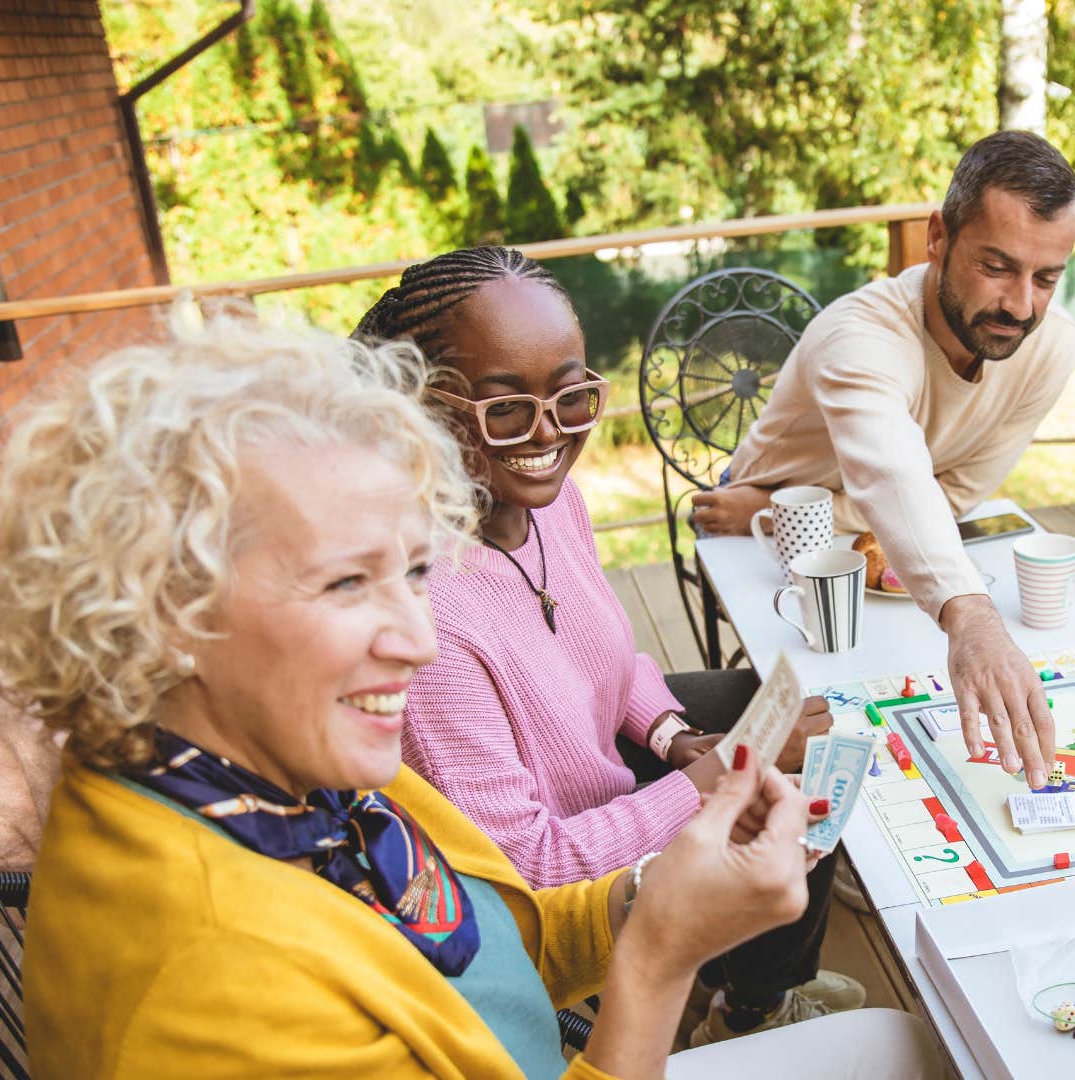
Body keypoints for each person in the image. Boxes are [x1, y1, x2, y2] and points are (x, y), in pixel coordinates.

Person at [0, 317, 941, 1078]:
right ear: (166, 610)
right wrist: (658, 962)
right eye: (347, 583)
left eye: (415, 573)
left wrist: (655, 891)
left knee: (901, 1044)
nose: (419, 640)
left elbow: (492, 945)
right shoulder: (212, 980)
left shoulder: (283, 772)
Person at [354, 248, 859, 1047]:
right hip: (559, 866)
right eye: (506, 408)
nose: (549, 433)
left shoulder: (552, 504)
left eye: (572, 397)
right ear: (424, 407)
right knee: (773, 755)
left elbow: (609, 662)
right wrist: (719, 774)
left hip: (602, 777)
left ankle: (755, 991)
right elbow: (530, 873)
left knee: (772, 711)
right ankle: (738, 1005)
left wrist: (674, 736)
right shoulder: (429, 620)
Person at [691, 130, 1075, 790]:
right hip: (758, 532)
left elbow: (952, 497)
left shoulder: (1050, 347)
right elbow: (895, 476)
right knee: (845, 703)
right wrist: (971, 616)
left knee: (909, 695)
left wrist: (833, 511)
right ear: (938, 238)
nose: (1021, 305)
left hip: (877, 530)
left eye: (1046, 278)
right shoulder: (859, 334)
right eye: (997, 267)